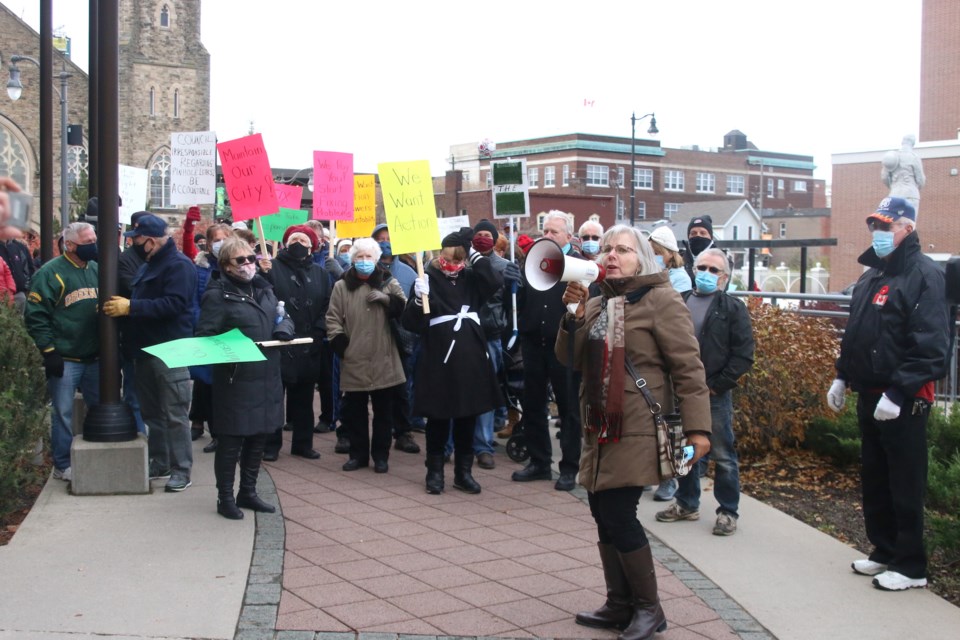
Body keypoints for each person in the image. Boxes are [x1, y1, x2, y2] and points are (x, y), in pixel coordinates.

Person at [558, 224, 711, 640]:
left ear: (641, 257)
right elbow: (569, 358)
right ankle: (619, 602)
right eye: (606, 248)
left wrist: (699, 430)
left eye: (621, 249)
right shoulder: (597, 298)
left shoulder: (661, 299)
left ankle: (649, 608)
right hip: (599, 423)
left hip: (637, 424)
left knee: (619, 513)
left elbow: (688, 368)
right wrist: (572, 313)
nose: (609, 254)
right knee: (600, 510)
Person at [829, 197, 950, 591]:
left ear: (907, 228)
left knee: (904, 481)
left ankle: (911, 565)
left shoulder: (924, 275)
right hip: (870, 392)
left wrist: (899, 391)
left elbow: (931, 345)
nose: (878, 234)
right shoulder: (873, 274)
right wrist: (842, 376)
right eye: (874, 226)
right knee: (876, 478)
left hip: (905, 399)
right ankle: (884, 550)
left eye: (885, 226)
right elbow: (858, 332)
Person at [656, 248, 755, 536]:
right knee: (684, 450)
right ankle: (686, 503)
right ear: (692, 269)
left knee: (723, 455)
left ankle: (727, 511)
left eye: (714, 270)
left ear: (724, 277)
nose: (707, 274)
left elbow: (743, 355)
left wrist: (715, 386)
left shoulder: (733, 308)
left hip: (712, 394)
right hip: (679, 391)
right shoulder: (680, 300)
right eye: (702, 267)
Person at [195, 236, 294, 519]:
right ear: (226, 265)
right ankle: (225, 496)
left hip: (266, 377)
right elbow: (205, 337)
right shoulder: (217, 295)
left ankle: (247, 491)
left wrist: (285, 328)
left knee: (259, 438)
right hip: (235, 379)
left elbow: (282, 315)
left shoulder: (265, 289)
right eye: (241, 260)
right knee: (231, 442)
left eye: (251, 258)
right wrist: (236, 348)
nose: (248, 264)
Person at [402, 227, 503, 495]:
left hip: (470, 357)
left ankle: (463, 472)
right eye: (449, 259)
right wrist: (415, 300)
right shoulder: (428, 277)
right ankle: (434, 472)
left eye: (459, 261)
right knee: (439, 417)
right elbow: (412, 323)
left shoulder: (471, 277)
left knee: (467, 416)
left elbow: (494, 282)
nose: (453, 266)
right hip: (439, 356)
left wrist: (475, 253)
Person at [103, 213, 198, 492]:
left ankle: (182, 469)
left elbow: (174, 305)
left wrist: (131, 307)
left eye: (138, 240)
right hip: (145, 351)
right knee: (153, 413)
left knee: (174, 414)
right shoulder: (151, 263)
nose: (134, 244)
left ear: (153, 241)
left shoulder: (179, 266)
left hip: (170, 350)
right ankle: (161, 461)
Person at [513, 210, 585, 491]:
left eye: (555, 232)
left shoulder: (579, 266)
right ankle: (539, 462)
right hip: (534, 342)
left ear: (569, 236)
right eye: (546, 231)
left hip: (565, 345)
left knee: (568, 409)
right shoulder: (534, 261)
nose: (549, 236)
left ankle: (569, 468)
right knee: (532, 404)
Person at [24, 222, 101, 482]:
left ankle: (96, 456)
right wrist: (49, 351)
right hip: (65, 358)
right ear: (69, 245)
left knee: (100, 409)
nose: (93, 245)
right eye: (87, 241)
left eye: (94, 239)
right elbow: (36, 316)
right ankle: (63, 463)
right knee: (63, 413)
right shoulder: (49, 273)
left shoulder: (96, 269)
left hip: (94, 357)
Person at [326, 237, 407, 473]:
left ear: (376, 259)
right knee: (355, 412)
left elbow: (403, 307)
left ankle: (381, 456)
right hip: (355, 356)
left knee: (383, 412)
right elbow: (332, 318)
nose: (364, 261)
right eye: (359, 257)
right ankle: (358, 455)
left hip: (384, 357)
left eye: (368, 257)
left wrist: (387, 300)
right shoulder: (341, 286)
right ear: (352, 260)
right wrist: (341, 345)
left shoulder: (388, 281)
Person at [262, 225, 331, 461]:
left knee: (303, 399)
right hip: (278, 343)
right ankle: (270, 445)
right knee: (273, 398)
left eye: (303, 240)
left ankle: (303, 444)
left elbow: (327, 305)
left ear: (312, 247)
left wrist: (319, 332)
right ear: (284, 243)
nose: (298, 243)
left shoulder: (321, 274)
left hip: (308, 344)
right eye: (293, 239)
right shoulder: (272, 268)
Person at [469, 219, 522, 469]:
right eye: (477, 234)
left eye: (486, 234)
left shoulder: (504, 266)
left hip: (491, 336)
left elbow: (514, 305)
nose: (482, 238)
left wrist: (517, 284)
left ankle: (483, 446)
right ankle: (457, 443)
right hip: (465, 335)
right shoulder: (463, 263)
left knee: (485, 392)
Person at [372, 223, 421, 454]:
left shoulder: (410, 273)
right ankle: (351, 434)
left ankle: (403, 432)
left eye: (389, 238)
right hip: (370, 339)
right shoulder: (362, 270)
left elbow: (414, 309)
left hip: (400, 340)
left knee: (401, 389)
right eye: (380, 238)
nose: (385, 242)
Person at [190, 222, 233, 451]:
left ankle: (220, 432)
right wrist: (203, 326)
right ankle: (200, 423)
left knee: (222, 385)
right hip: (206, 331)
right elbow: (194, 301)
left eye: (225, 238)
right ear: (208, 243)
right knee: (204, 381)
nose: (221, 243)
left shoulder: (238, 265)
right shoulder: (200, 268)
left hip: (229, 332)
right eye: (216, 239)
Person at [881, 134, 925, 212]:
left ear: (902, 142)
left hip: (894, 194)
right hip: (911, 194)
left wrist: (893, 186)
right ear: (913, 144)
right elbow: (920, 180)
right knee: (910, 221)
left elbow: (884, 177)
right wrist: (915, 188)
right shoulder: (914, 157)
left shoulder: (891, 156)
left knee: (894, 221)